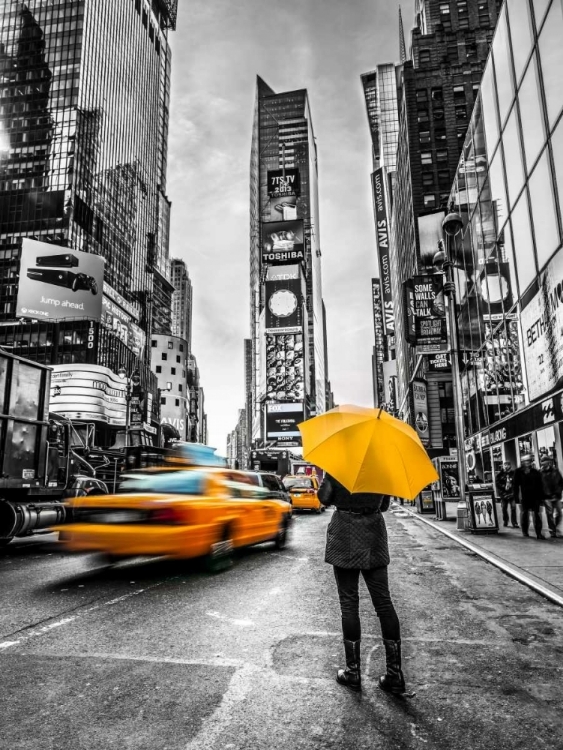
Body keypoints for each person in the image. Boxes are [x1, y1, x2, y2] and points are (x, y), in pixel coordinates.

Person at [317, 473, 405, 695]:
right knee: (383, 603)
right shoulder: (378, 467)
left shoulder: (338, 465)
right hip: (373, 533)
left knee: (349, 603)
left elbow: (325, 498)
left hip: (344, 533)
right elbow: (384, 505)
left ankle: (353, 672)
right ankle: (395, 675)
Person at [513, 455, 545, 540]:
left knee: (537, 514)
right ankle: (525, 531)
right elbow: (515, 485)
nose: (527, 463)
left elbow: (540, 485)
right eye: (525, 461)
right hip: (524, 497)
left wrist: (541, 497)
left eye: (529, 461)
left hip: (535, 496)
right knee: (524, 514)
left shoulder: (535, 472)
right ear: (522, 462)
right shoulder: (518, 472)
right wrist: (516, 497)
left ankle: (538, 533)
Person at [540, 456, 563, 538]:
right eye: (542, 462)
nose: (544, 464)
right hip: (546, 497)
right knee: (549, 514)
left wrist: (558, 492)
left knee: (559, 513)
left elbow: (561, 482)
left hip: (556, 496)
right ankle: (552, 530)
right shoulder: (540, 473)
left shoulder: (555, 471)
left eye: (546, 462)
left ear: (549, 462)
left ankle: (555, 527)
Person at [496, 461, 518, 528]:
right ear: (503, 466)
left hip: (511, 493)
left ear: (510, 466)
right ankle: (505, 520)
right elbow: (497, 483)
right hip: (503, 493)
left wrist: (513, 487)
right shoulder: (500, 474)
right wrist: (503, 486)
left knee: (513, 508)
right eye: (505, 465)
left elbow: (516, 482)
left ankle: (514, 522)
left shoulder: (513, 473)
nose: (506, 466)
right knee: (504, 508)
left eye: (508, 465)